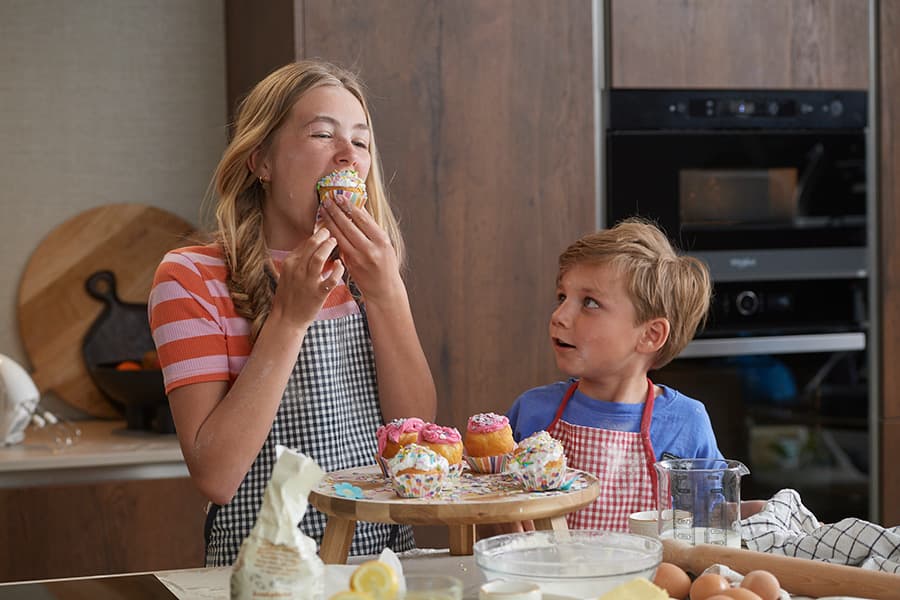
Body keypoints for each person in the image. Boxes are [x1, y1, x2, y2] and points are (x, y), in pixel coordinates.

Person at [148, 59, 437, 566]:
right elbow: (217, 476)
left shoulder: (370, 271)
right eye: (323, 135)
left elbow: (413, 435)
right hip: (265, 572)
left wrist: (389, 292)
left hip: (384, 565)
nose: (348, 156)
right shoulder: (190, 278)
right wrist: (288, 318)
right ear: (261, 161)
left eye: (362, 142)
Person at [506, 217, 721, 532]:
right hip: (547, 580)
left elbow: (712, 527)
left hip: (648, 582)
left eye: (589, 303)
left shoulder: (686, 423)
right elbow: (485, 508)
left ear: (650, 335)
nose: (559, 315)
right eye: (562, 297)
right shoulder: (531, 412)